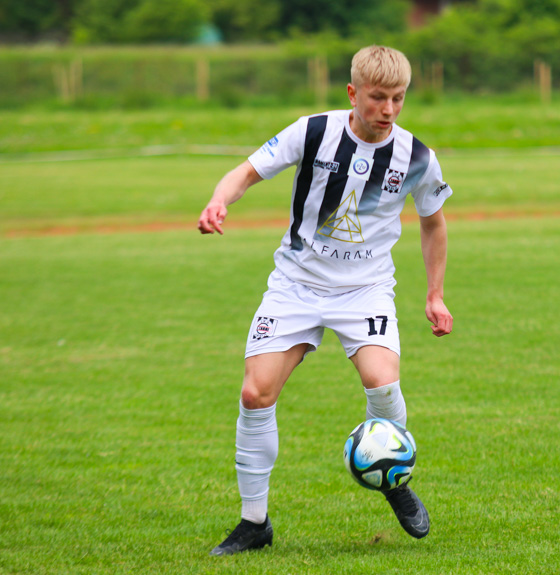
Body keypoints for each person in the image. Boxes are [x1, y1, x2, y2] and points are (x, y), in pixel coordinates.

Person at [198, 45, 453, 555]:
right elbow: (246, 172)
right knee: (255, 394)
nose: (388, 110)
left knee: (382, 383)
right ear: (353, 94)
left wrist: (435, 294)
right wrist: (218, 200)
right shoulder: (312, 131)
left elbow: (433, 223)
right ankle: (255, 523)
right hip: (295, 284)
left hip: (365, 290)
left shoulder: (417, 156)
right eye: (378, 98)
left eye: (398, 99)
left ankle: (395, 481)